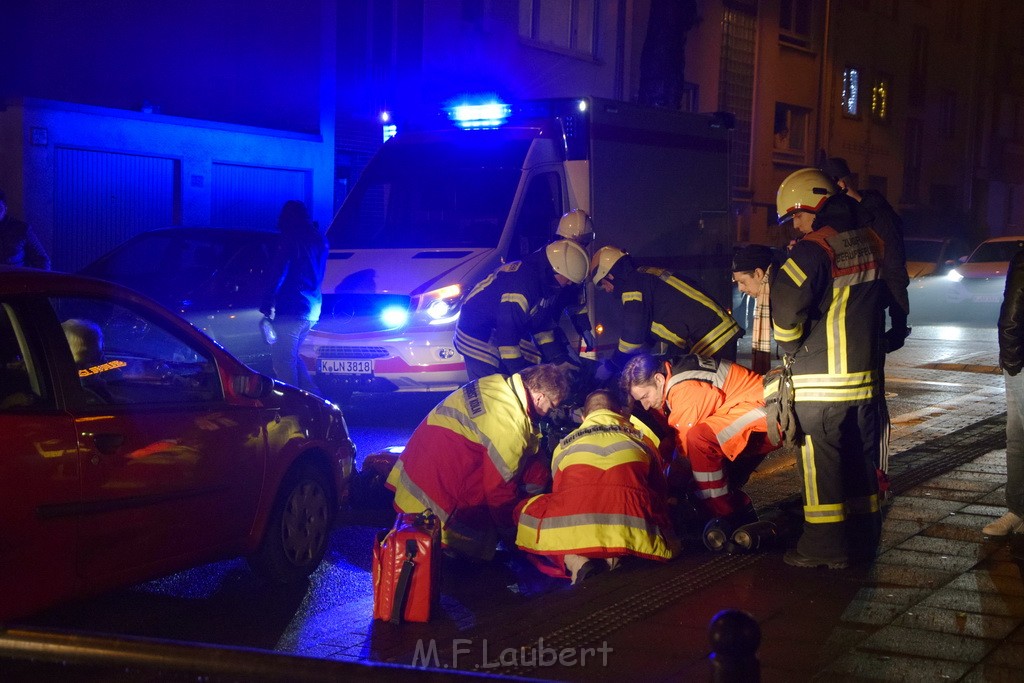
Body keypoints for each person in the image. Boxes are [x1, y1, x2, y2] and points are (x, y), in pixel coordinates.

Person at [771, 167, 886, 569]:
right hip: (864, 380)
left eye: (797, 217)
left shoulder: (813, 249)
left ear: (815, 205)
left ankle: (823, 547)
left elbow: (786, 311)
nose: (796, 227)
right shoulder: (870, 241)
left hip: (822, 381)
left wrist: (789, 347)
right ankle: (863, 538)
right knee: (859, 462)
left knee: (821, 467)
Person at [386, 363, 572, 561]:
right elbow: (498, 491)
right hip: (437, 496)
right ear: (539, 397)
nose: (550, 413)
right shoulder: (510, 426)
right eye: (552, 406)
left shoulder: (496, 384)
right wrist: (511, 532)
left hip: (418, 465)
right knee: (457, 556)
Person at [514, 389, 680, 583]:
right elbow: (659, 491)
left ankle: (576, 562)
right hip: (633, 531)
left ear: (584, 416)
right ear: (619, 412)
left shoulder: (563, 446)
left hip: (577, 528)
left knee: (523, 510)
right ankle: (613, 556)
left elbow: (560, 493)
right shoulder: (643, 439)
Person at [822, 158, 910, 487]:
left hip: (870, 320)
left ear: (842, 186)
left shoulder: (876, 216)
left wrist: (899, 323)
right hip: (846, 324)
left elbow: (895, 271)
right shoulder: (847, 218)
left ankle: (876, 477)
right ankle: (854, 477)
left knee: (870, 403)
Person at [620, 352, 777, 530]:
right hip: (749, 406)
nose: (646, 405)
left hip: (764, 410)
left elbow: (684, 456)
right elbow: (673, 440)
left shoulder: (684, 391)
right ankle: (732, 505)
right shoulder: (673, 375)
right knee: (682, 447)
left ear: (658, 379)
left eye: (645, 396)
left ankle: (725, 516)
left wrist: (669, 491)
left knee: (699, 441)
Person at [589, 246, 740, 374]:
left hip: (711, 338)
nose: (607, 290)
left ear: (610, 275)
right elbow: (646, 328)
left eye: (604, 284)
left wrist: (612, 365)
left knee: (705, 393)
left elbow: (632, 335)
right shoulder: (643, 275)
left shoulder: (632, 284)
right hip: (714, 333)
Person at [454, 239, 589, 381]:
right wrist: (523, 378)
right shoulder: (521, 288)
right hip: (475, 331)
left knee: (533, 360)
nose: (569, 284)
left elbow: (542, 329)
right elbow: (507, 341)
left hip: (498, 327)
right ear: (554, 269)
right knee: (493, 384)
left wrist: (559, 360)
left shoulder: (544, 284)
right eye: (568, 279)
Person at [260, 200, 327, 392]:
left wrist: (267, 299)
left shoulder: (291, 239)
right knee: (292, 358)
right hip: (312, 307)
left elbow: (280, 271)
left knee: (283, 361)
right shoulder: (319, 239)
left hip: (292, 306)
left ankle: (294, 406)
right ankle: (316, 401)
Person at [983, 247, 1024, 536]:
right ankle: (1018, 510)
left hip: (1019, 360)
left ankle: (1017, 510)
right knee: (1018, 437)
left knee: (1018, 438)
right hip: (1020, 361)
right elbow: (1011, 317)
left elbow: (1010, 317)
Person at [731, 245, 779, 375]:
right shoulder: (773, 289)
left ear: (758, 273)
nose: (740, 288)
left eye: (743, 281)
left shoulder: (780, 294)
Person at [0, 189, 50, 270]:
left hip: (15, 279)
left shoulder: (21, 228)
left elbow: (42, 260)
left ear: (5, 208)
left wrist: (38, 281)